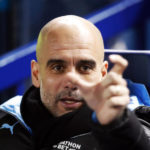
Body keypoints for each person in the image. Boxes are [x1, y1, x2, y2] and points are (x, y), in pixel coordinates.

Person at [0, 15, 150, 150]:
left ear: (103, 74)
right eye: (58, 68)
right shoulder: (9, 118)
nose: (71, 82)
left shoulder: (134, 120)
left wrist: (121, 124)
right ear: (36, 74)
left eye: (85, 68)